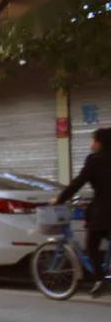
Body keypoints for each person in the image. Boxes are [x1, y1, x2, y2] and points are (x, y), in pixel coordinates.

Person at [56, 127, 111, 297]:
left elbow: (77, 183)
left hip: (104, 212)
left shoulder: (95, 160)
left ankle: (100, 280)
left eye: (93, 140)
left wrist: (59, 199)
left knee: (92, 245)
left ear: (99, 143)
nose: (91, 144)